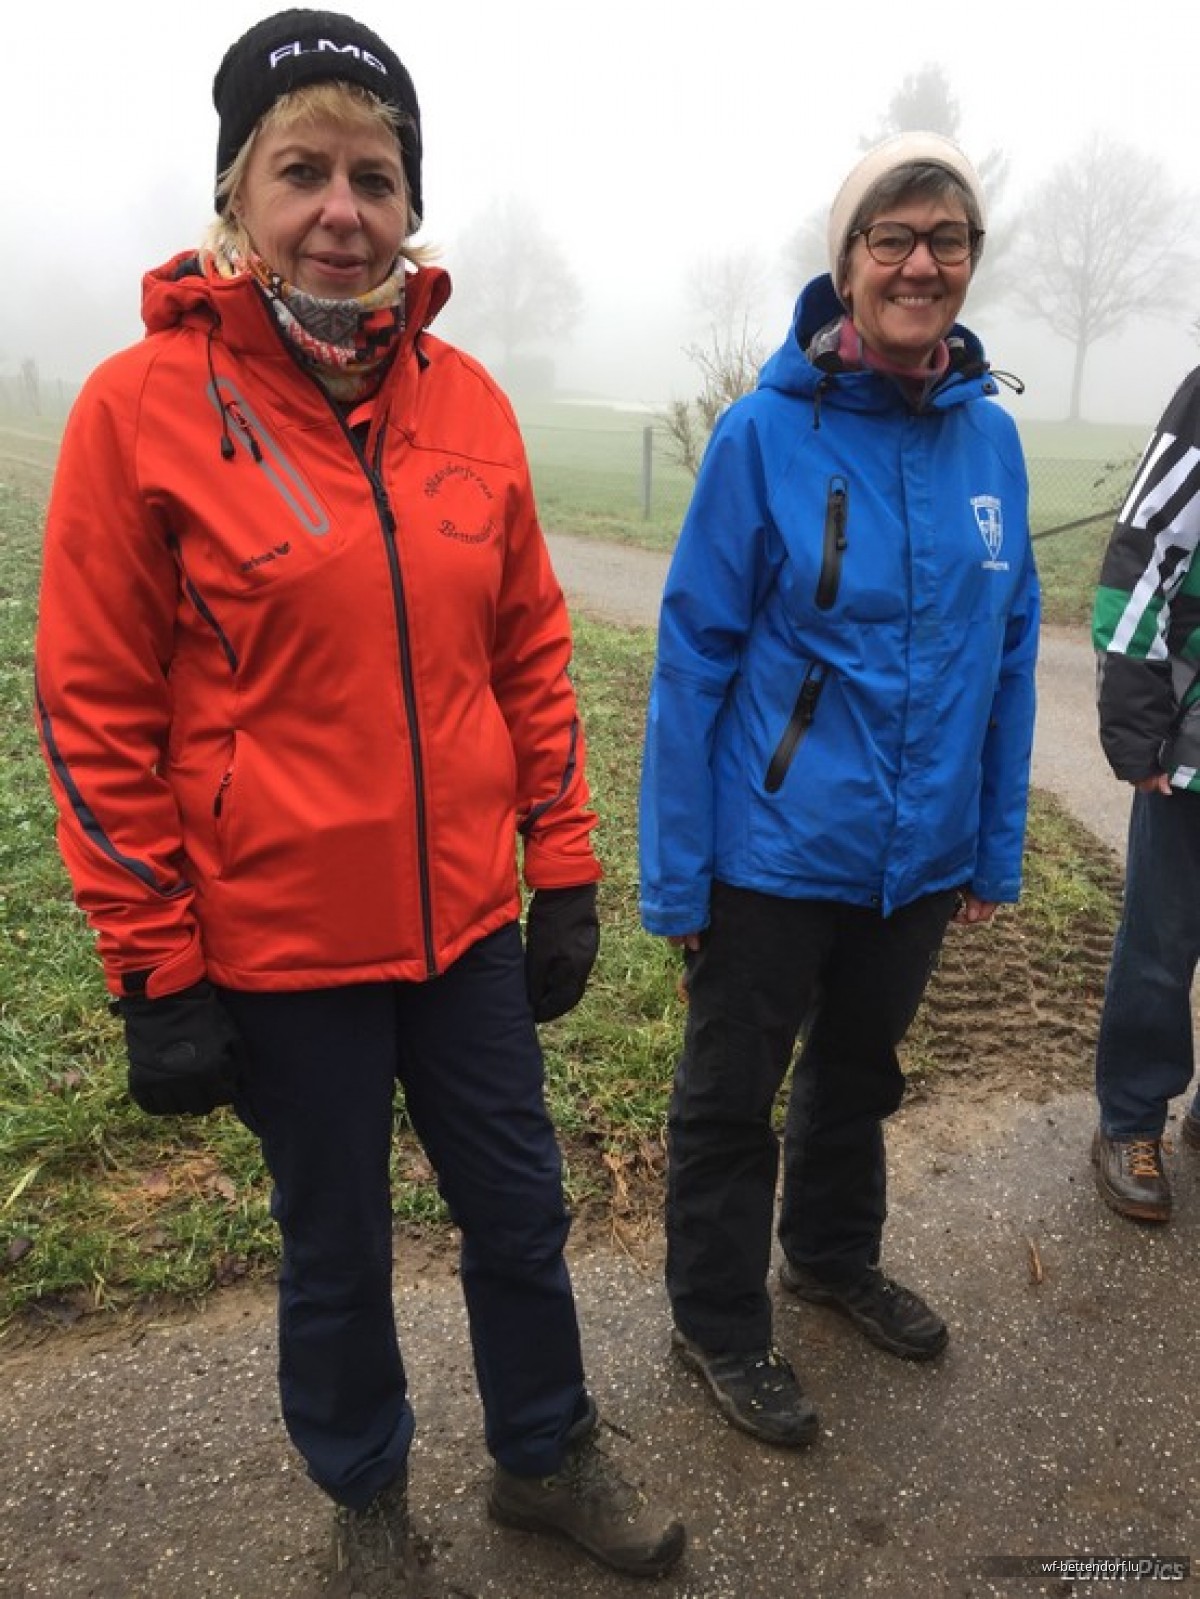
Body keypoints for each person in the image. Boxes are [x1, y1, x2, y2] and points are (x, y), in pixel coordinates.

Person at [33, 10, 685, 1594]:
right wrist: (153, 965)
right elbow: (96, 707)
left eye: (376, 177)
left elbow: (528, 645)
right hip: (272, 943)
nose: (345, 208)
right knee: (335, 1253)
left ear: (411, 206)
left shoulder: (469, 403)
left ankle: (544, 1452)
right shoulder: (139, 409)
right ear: (238, 197)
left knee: (521, 1214)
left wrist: (569, 861)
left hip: (461, 921)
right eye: (303, 170)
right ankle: (367, 1502)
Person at [639, 133, 1040, 1446]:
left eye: (948, 239)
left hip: (915, 856)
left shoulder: (991, 442)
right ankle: (715, 1318)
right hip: (771, 846)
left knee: (859, 1073)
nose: (922, 262)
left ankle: (827, 1254)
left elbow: (1011, 649)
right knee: (727, 1098)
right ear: (847, 262)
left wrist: (989, 849)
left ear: (969, 264)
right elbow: (693, 654)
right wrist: (678, 867)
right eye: (893, 237)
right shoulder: (765, 434)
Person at [1090, 367, 1200, 1225]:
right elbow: (1143, 552)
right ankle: (1131, 1119)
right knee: (1162, 945)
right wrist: (1137, 725)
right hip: (1193, 752)